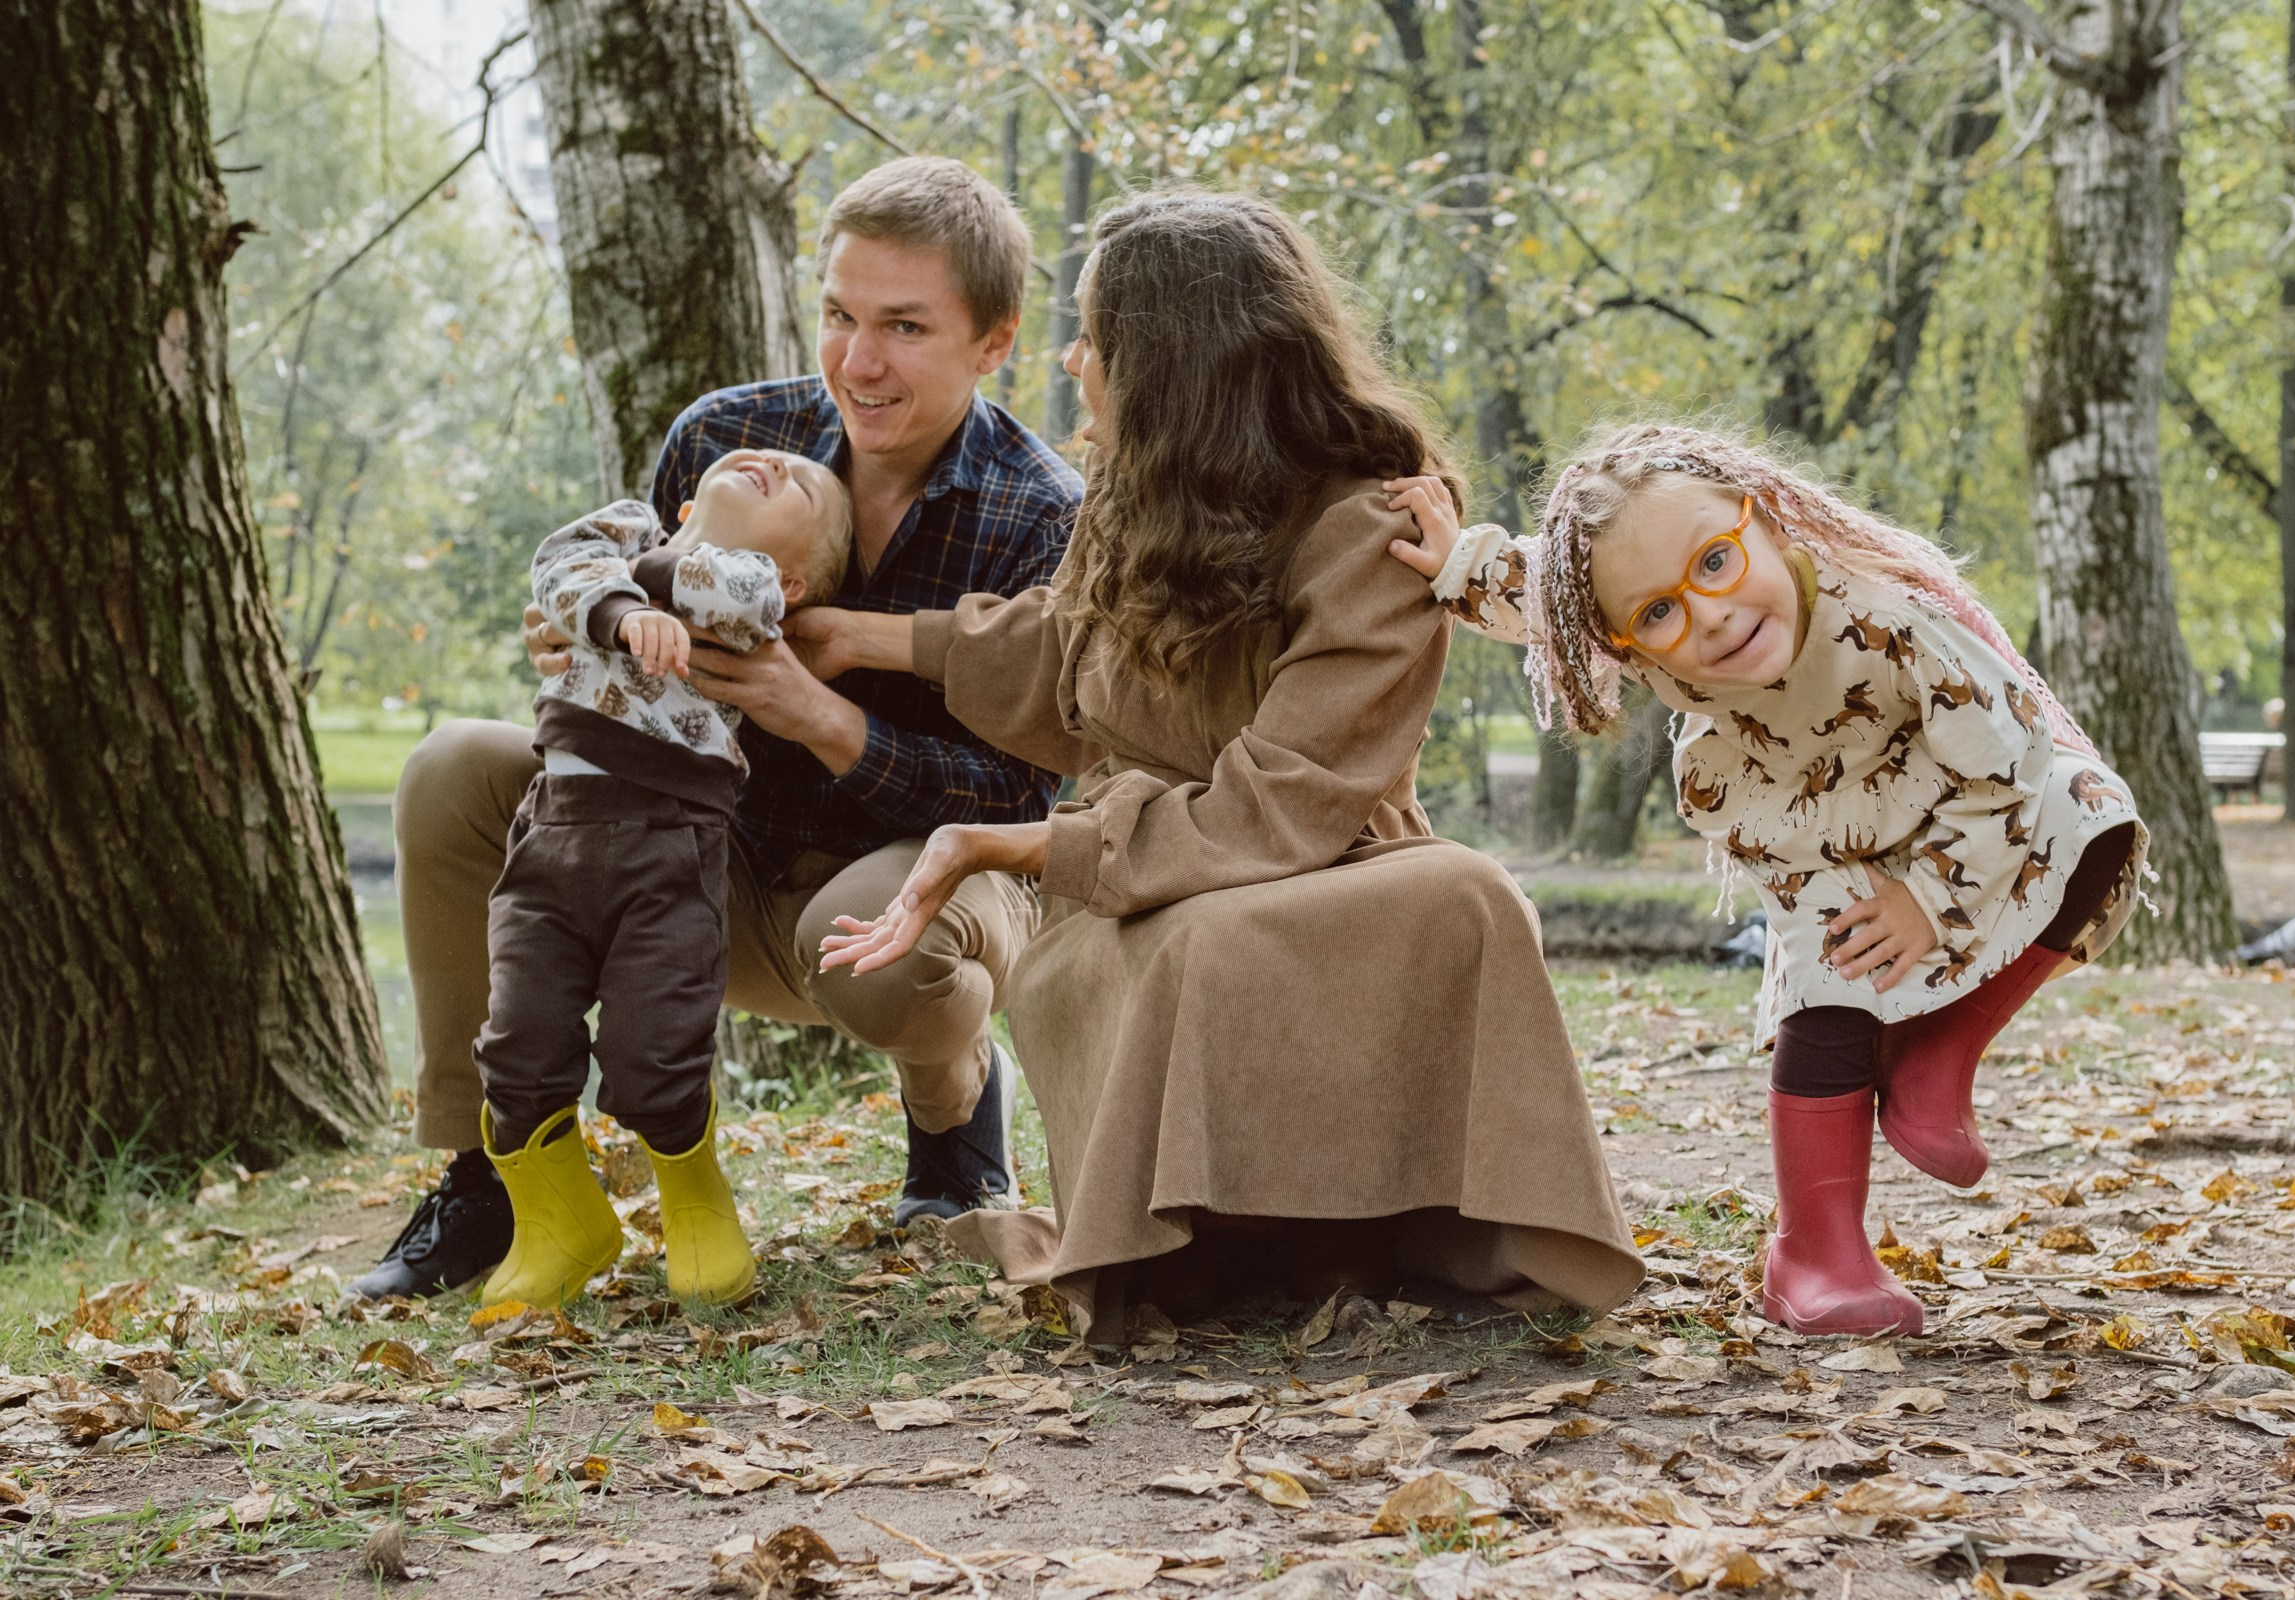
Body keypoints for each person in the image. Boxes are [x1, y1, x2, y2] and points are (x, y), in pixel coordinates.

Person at [795, 190, 1644, 1342]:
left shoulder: (1369, 524)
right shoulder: (1134, 497)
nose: (1073, 359)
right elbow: (1061, 649)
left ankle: (1404, 1224)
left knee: (1443, 897)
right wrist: (858, 637)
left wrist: (1033, 843)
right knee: (1163, 939)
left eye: (1097, 336)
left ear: (1173, 362)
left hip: (1323, 875)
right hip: (1159, 876)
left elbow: (1283, 802)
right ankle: (1218, 1246)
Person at [348, 157, 1082, 1301]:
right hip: (688, 859)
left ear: (994, 342)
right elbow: (617, 597)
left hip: (905, 889)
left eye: (903, 326)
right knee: (456, 769)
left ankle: (950, 1110)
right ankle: (494, 1172)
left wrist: (826, 717)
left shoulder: (1043, 515)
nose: (858, 360)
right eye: (838, 314)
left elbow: (1026, 804)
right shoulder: (730, 435)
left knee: (881, 949)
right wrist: (583, 638)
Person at [1387, 421, 2148, 1337]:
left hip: (1957, 804)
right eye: (1658, 614)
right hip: (1798, 820)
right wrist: (1453, 562)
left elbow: (2008, 767)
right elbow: (1539, 594)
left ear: (1771, 522)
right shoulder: (1623, 611)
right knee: (1833, 985)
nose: (1707, 613)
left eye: (1715, 562)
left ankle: (1937, 1054)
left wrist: (1930, 900)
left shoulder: (1897, 615)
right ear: (1626, 645)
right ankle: (1817, 1251)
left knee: (2092, 809)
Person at [471, 449, 850, 1310]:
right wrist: (613, 602)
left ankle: (694, 1199)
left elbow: (733, 596)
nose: (768, 461)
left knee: (656, 1050)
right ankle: (560, 1219)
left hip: (670, 847)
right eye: (757, 457)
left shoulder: (751, 591)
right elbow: (558, 568)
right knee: (519, 1038)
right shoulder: (617, 532)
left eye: (801, 483)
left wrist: (630, 584)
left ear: (797, 579)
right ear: (680, 505)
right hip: (554, 831)